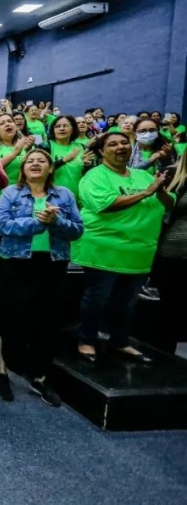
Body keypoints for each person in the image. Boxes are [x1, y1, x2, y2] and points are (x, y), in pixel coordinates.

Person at [0, 149, 84, 406]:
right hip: (16, 263)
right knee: (10, 319)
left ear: (50, 168)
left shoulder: (64, 195)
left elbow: (77, 230)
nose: (35, 164)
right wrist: (37, 222)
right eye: (30, 161)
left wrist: (56, 222)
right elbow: (1, 226)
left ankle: (41, 378)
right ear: (22, 169)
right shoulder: (12, 192)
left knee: (48, 322)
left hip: (52, 265)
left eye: (41, 160)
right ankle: (1, 373)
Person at [73, 132, 174, 364]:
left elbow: (169, 204)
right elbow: (105, 204)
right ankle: (86, 339)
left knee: (127, 302)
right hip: (103, 250)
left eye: (124, 143)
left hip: (138, 252)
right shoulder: (94, 176)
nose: (120, 147)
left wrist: (158, 191)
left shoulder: (142, 175)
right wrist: (147, 193)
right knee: (98, 298)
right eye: (113, 144)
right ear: (101, 151)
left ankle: (120, 341)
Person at [151, 152, 187, 353]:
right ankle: (164, 356)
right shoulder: (173, 174)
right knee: (170, 310)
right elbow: (163, 208)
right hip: (174, 251)